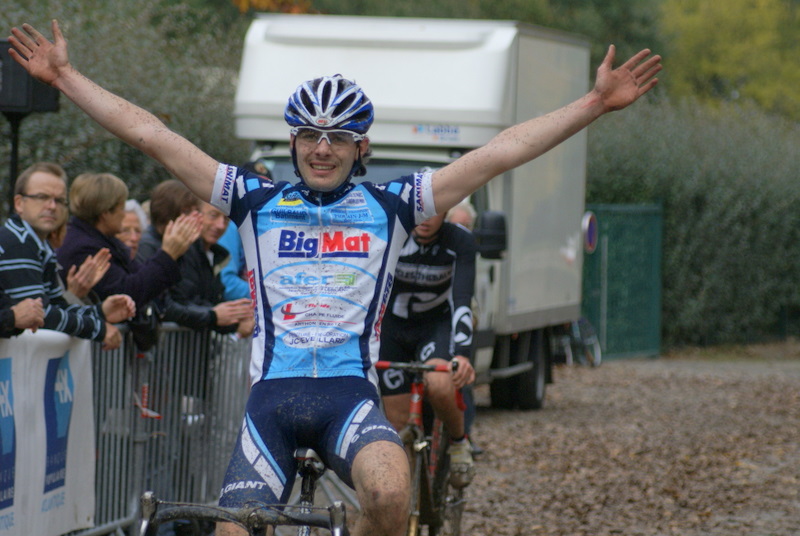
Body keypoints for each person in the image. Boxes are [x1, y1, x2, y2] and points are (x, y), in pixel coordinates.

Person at [8, 21, 660, 536]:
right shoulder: (253, 200)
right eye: (311, 135)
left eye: (339, 137)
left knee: (390, 491)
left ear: (361, 147)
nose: (324, 148)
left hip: (350, 398)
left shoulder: (395, 205)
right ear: (293, 142)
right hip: (271, 404)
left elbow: (502, 150)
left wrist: (594, 104)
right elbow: (151, 134)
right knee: (234, 531)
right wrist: (65, 78)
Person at [378, 210, 478, 486]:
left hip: (436, 325)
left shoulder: (460, 241)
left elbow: (462, 300)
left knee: (439, 383)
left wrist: (462, 354)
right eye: (419, 211)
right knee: (398, 425)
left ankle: (459, 442)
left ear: (445, 212)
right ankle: (408, 499)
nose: (425, 219)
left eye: (434, 212)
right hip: (393, 328)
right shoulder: (390, 235)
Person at [55, 172, 200, 350]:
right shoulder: (84, 248)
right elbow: (126, 294)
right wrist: (168, 255)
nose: (124, 215)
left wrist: (172, 254)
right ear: (106, 212)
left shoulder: (102, 240)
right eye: (121, 208)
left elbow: (138, 277)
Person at [0, 162, 135, 349]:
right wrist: (99, 329)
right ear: (19, 203)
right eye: (42, 197)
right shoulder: (17, 242)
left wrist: (99, 311)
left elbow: (57, 307)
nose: (52, 206)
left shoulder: (39, 244)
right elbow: (41, 316)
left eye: (60, 200)